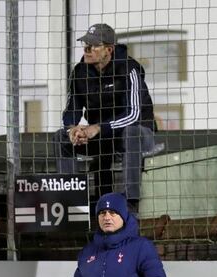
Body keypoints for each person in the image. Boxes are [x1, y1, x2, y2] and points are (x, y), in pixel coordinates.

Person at [56, 23, 156, 207]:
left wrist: (98, 128)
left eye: (93, 45)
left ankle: (130, 203)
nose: (87, 49)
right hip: (101, 137)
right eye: (85, 44)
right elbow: (71, 111)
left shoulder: (129, 69)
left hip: (137, 135)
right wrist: (73, 129)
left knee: (131, 133)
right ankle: (69, 203)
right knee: (62, 137)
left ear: (108, 49)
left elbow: (133, 115)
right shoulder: (79, 73)